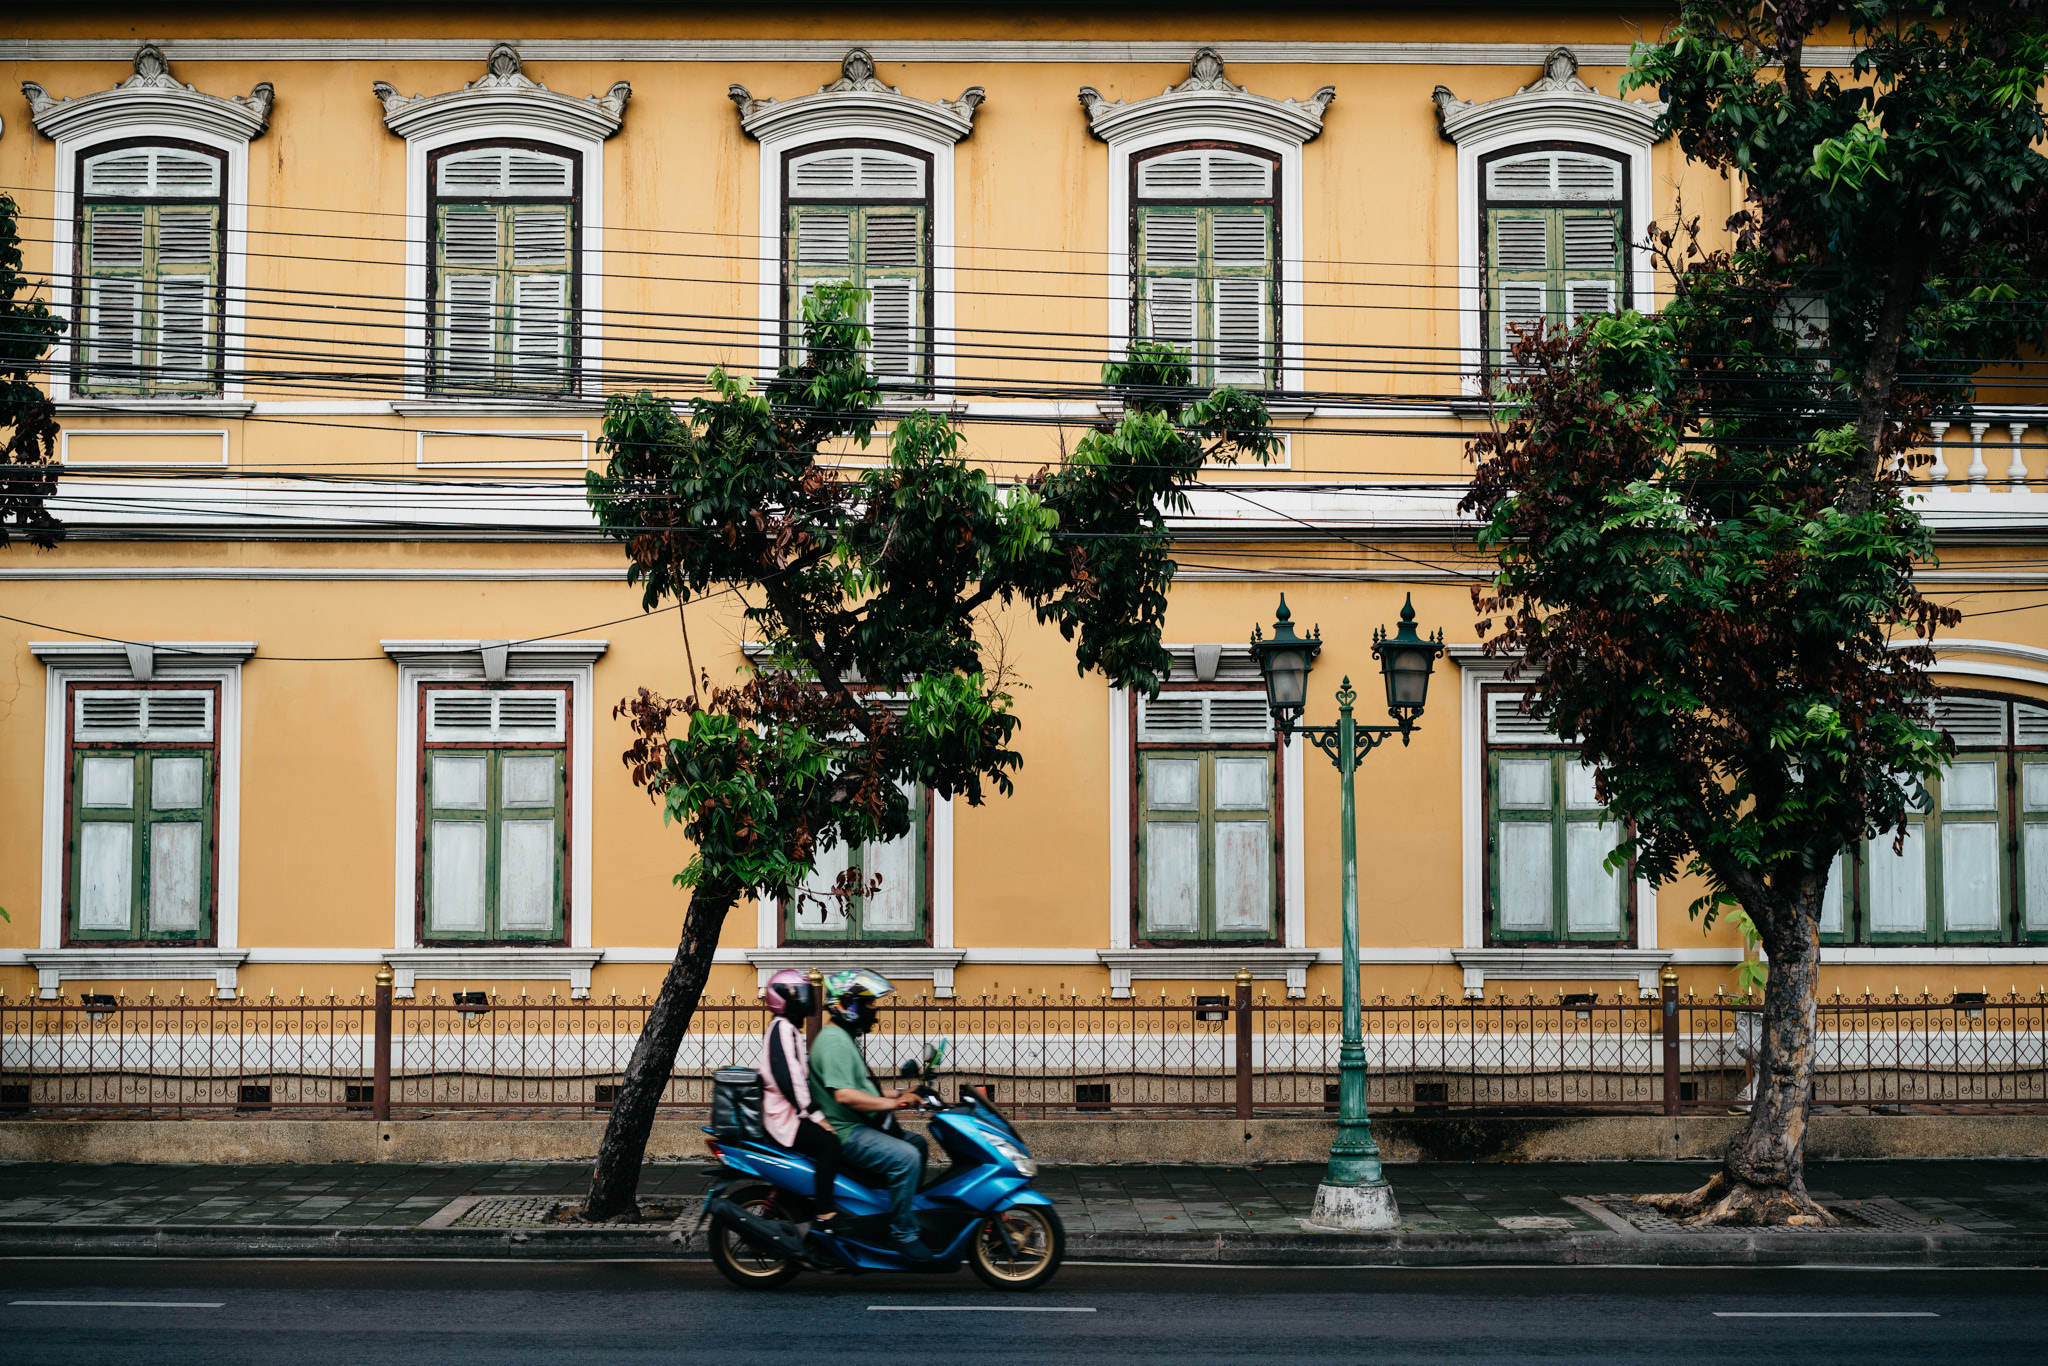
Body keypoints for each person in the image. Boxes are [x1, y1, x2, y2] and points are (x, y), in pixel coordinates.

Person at [808, 967, 933, 1259]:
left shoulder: (843, 1038)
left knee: (918, 1143)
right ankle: (902, 1232)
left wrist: (906, 1093)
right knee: (908, 1157)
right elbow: (846, 1095)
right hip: (847, 1131)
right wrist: (894, 1103)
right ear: (848, 1005)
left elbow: (863, 1088)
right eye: (868, 1003)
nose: (874, 1011)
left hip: (857, 1125)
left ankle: (895, 1210)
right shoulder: (835, 1042)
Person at [756, 969, 842, 1227]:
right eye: (798, 995)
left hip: (788, 1113)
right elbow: (790, 1078)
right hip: (783, 1118)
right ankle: (825, 1211)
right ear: (781, 999)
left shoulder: (787, 1028)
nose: (804, 1000)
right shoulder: (782, 1028)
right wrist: (816, 1116)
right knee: (829, 1144)